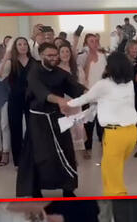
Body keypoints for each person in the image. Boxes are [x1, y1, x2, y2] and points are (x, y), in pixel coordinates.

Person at [16, 42, 86, 198]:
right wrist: (60, 100)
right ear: (41, 55)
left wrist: (93, 94)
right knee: (41, 156)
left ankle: (68, 189)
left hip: (57, 117)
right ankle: (36, 190)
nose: (54, 58)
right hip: (38, 120)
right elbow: (42, 92)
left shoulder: (61, 73)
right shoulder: (34, 72)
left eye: (55, 55)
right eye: (50, 55)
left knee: (66, 152)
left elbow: (76, 87)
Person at [68, 51, 137, 196]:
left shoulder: (104, 85)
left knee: (114, 179)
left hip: (115, 135)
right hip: (131, 133)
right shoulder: (129, 83)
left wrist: (66, 104)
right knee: (111, 169)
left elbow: (85, 98)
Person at [0, 37, 33, 167]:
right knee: (15, 129)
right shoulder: (11, 63)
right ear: (15, 47)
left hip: (31, 99)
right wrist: (6, 57)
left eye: (25, 44)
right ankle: (18, 161)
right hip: (15, 99)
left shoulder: (34, 62)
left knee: (32, 128)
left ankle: (31, 157)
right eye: (19, 44)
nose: (23, 46)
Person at [78, 34, 108, 159]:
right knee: (88, 122)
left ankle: (103, 142)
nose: (94, 43)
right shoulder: (82, 57)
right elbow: (81, 75)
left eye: (96, 41)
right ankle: (87, 147)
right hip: (88, 93)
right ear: (86, 43)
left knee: (102, 121)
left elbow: (106, 73)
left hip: (102, 93)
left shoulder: (103, 56)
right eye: (91, 41)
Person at [57, 42, 87, 152]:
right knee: (66, 126)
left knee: (78, 125)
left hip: (75, 101)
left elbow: (82, 84)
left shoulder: (77, 68)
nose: (65, 54)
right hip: (62, 101)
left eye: (67, 51)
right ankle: (67, 150)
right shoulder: (55, 69)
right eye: (62, 52)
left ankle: (81, 148)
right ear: (58, 54)